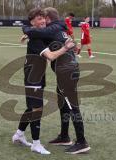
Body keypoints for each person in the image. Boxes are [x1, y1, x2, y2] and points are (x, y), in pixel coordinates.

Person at [23, 7, 91, 154]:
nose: (42, 21)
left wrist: (26, 31)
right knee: (63, 103)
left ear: (48, 19)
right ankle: (64, 136)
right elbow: (41, 35)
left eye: (43, 18)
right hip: (68, 70)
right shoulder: (57, 30)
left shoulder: (52, 30)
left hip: (67, 72)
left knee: (72, 106)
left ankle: (82, 142)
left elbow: (38, 33)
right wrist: (28, 35)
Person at [12, 8, 75, 155]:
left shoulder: (36, 35)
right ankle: (36, 144)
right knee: (37, 109)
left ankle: (19, 134)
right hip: (32, 76)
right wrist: (66, 47)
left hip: (38, 74)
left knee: (31, 108)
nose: (42, 21)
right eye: (39, 19)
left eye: (43, 18)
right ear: (32, 21)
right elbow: (51, 56)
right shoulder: (35, 38)